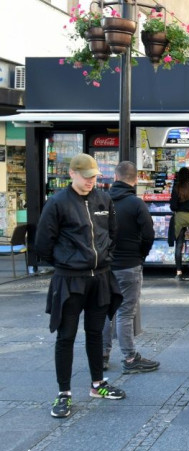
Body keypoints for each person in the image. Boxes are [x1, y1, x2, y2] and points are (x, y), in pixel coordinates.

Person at [36, 153, 125, 418]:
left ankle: (98, 384)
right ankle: (64, 393)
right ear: (72, 174)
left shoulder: (103, 199)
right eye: (86, 177)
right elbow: (43, 244)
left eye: (94, 177)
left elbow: (113, 233)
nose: (90, 181)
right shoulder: (57, 203)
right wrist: (67, 262)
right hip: (69, 279)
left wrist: (104, 259)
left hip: (100, 277)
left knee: (96, 333)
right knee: (66, 336)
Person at [102, 161, 159, 374]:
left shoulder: (102, 201)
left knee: (106, 311)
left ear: (115, 178)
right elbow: (149, 234)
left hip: (106, 266)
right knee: (126, 312)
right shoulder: (136, 204)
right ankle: (129, 356)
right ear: (135, 180)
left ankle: (102, 355)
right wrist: (140, 255)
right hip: (129, 264)